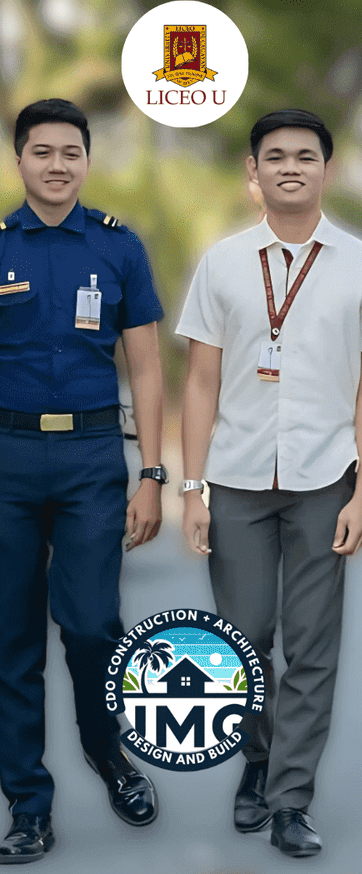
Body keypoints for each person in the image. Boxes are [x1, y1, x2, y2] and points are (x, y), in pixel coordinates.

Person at [176, 109, 362, 859]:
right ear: (255, 171)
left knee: (311, 647)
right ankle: (259, 759)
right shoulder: (223, 264)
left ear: (326, 170)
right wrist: (191, 488)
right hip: (236, 477)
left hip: (322, 478)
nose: (291, 166)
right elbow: (200, 380)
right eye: (275, 156)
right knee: (241, 643)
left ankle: (290, 801)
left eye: (306, 155)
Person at [0, 98, 165, 864]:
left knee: (94, 626)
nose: (56, 164)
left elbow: (147, 363)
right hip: (7, 461)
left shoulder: (119, 247)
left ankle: (108, 751)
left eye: (71, 151)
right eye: (42, 151)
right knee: (11, 640)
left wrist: (154, 473)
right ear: (20, 160)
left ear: (87, 161)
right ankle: (29, 806)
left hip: (95, 461)